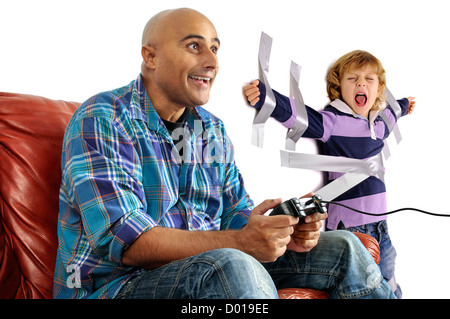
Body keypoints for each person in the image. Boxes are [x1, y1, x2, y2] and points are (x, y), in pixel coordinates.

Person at [53, 8, 396, 299]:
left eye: (215, 49)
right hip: (116, 286)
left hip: (208, 264)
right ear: (150, 56)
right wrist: (242, 242)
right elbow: (129, 243)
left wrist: (279, 230)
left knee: (346, 248)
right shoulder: (103, 118)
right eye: (194, 46)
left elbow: (233, 214)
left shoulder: (211, 129)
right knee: (235, 264)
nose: (212, 61)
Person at [244, 50, 415, 298]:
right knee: (360, 286)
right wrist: (266, 98)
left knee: (388, 281)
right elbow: (299, 116)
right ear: (339, 87)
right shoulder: (333, 122)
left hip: (382, 227)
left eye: (369, 79)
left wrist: (405, 105)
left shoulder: (378, 126)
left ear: (378, 90)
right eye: (352, 78)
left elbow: (392, 113)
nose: (361, 83)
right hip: (352, 230)